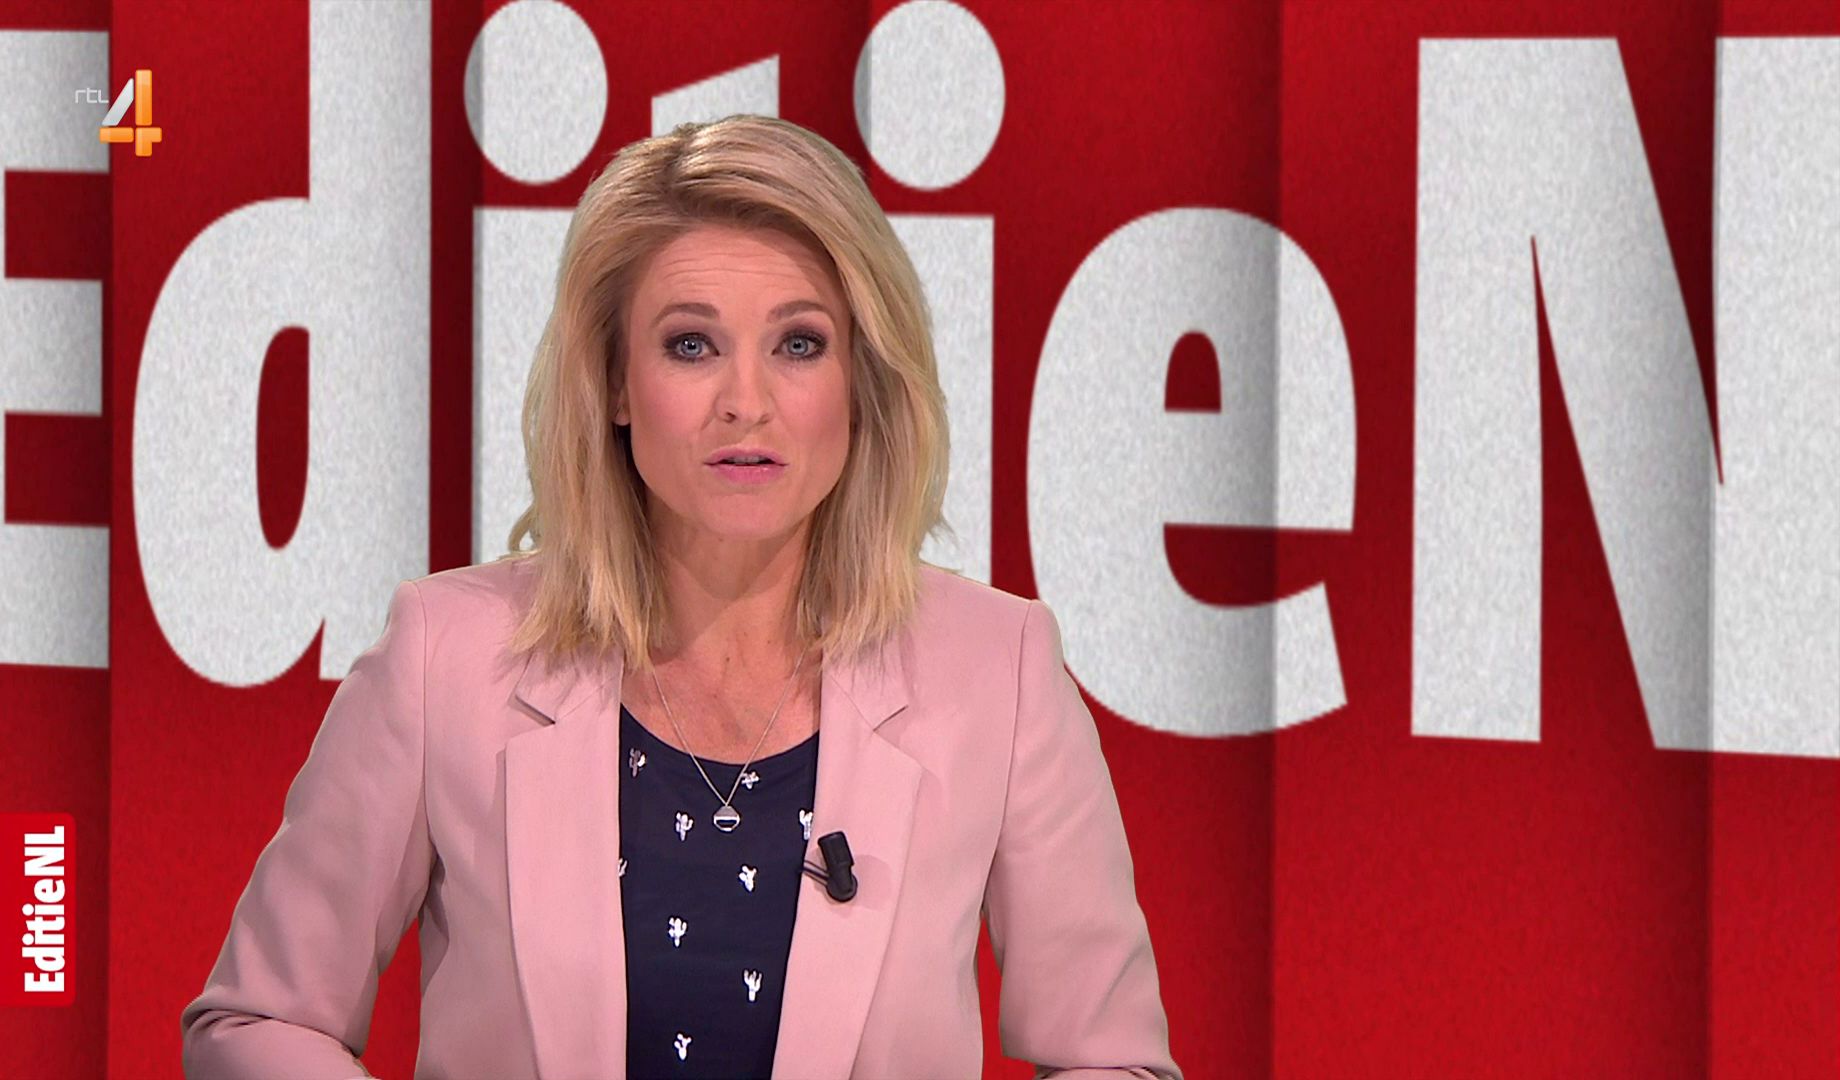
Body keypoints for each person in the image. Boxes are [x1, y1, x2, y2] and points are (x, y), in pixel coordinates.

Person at [180, 114, 1179, 1080]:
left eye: (799, 345)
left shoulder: (999, 668)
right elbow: (256, 1023)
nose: (746, 402)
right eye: (692, 345)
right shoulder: (448, 658)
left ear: (863, 381)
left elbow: (1114, 1059)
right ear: (615, 385)